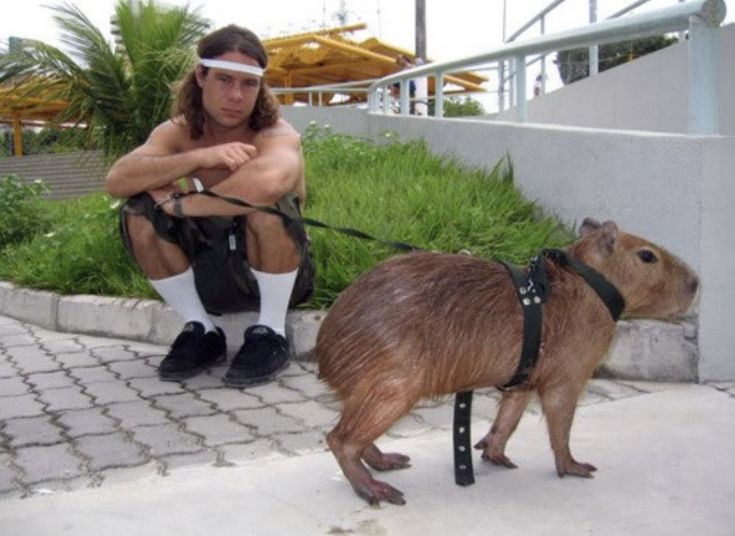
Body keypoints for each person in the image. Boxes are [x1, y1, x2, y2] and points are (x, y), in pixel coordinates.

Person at [105, 25, 314, 388]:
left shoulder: (277, 132)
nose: (236, 95)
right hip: (208, 273)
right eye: (224, 79)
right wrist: (200, 157)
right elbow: (118, 180)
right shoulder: (175, 132)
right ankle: (201, 330)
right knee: (139, 209)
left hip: (277, 274)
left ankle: (271, 332)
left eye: (248, 84)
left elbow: (268, 182)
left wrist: (184, 206)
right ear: (201, 75)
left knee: (266, 204)